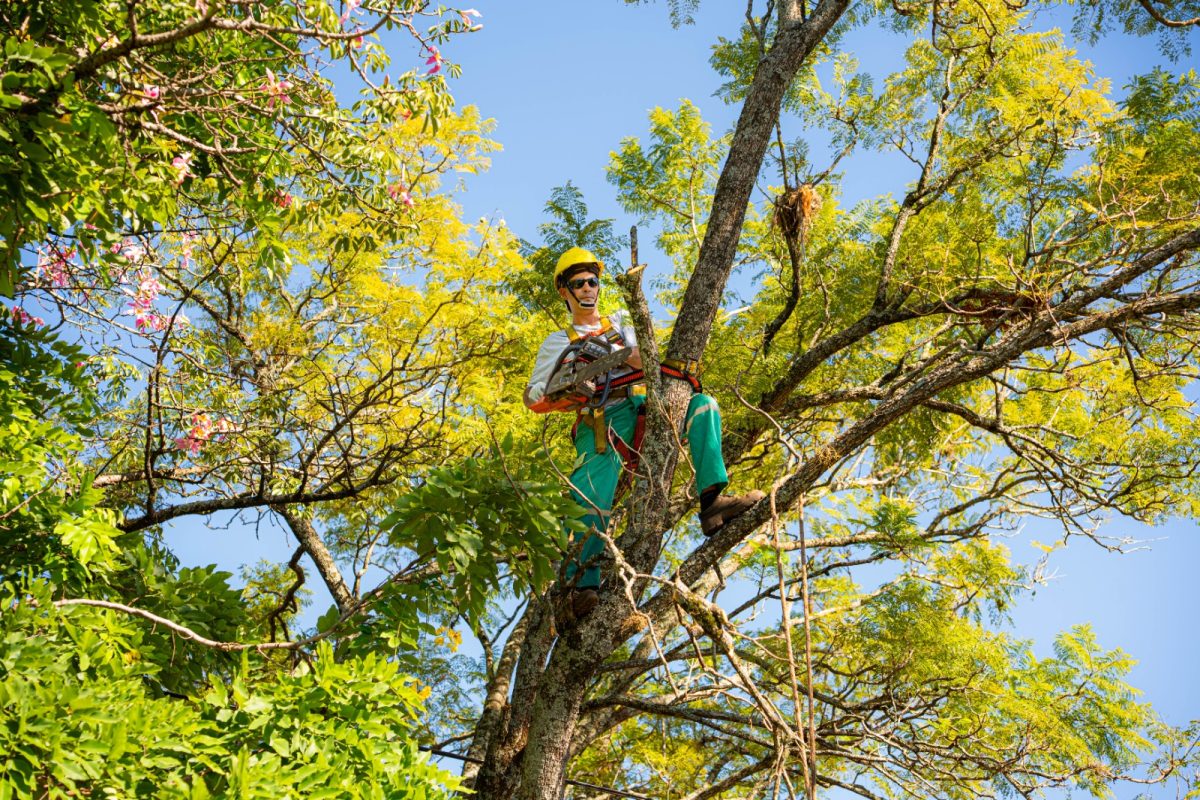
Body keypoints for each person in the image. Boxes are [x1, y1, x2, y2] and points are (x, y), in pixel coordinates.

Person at [525, 247, 764, 620]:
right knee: (589, 491)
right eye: (579, 283)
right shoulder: (558, 341)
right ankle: (579, 586)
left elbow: (645, 358)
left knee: (705, 406)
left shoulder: (621, 322)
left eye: (593, 281)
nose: (588, 288)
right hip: (602, 419)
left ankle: (712, 502)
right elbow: (534, 397)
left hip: (643, 407)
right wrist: (569, 384)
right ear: (565, 291)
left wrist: (618, 352)